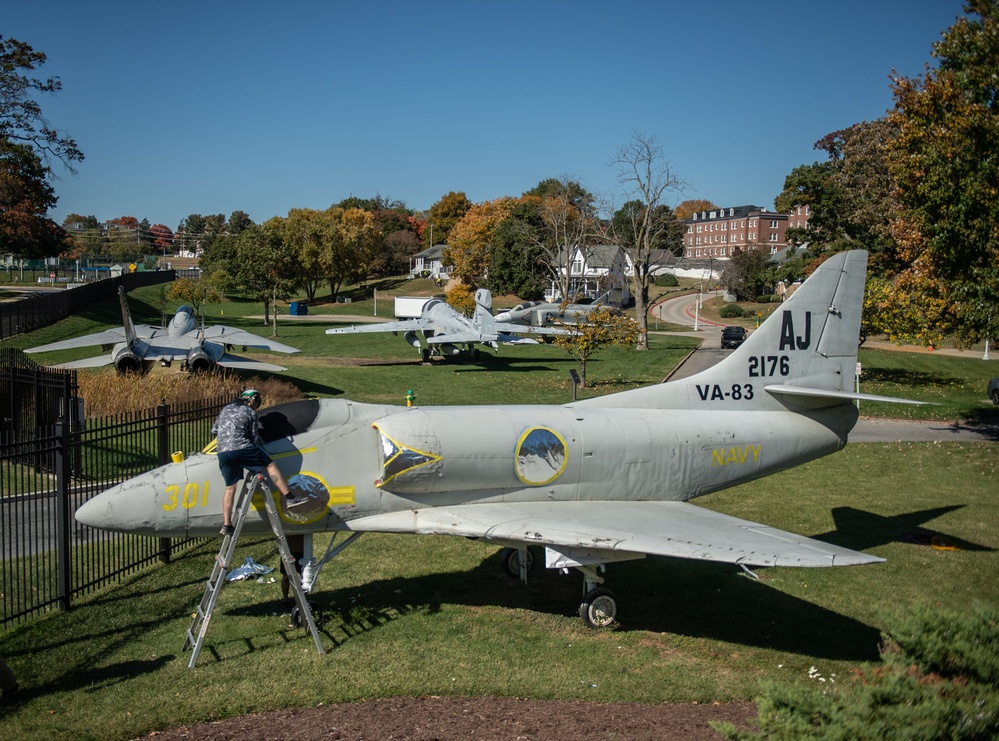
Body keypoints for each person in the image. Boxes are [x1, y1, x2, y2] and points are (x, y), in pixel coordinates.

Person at [212, 389, 307, 536]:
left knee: (230, 488)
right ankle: (290, 498)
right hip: (242, 447)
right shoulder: (250, 413)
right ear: (253, 401)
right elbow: (253, 437)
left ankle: (227, 525)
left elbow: (215, 430)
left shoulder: (226, 409)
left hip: (223, 452)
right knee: (270, 465)